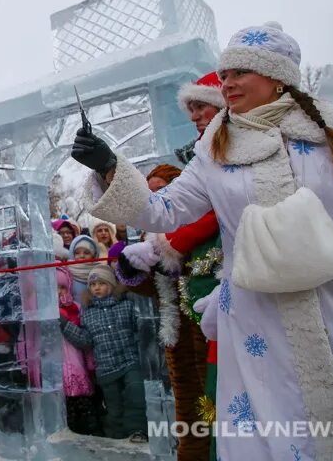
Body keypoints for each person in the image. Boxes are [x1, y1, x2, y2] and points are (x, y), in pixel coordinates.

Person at [72, 22, 333, 459]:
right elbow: (162, 211)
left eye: (241, 72)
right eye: (224, 74)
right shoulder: (214, 148)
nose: (228, 83)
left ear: (277, 75)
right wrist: (109, 165)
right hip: (259, 316)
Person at [117, 163, 219, 461]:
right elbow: (150, 286)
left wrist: (177, 260)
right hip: (176, 334)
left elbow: (207, 266)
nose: (154, 196)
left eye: (160, 190)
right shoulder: (150, 234)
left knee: (214, 401)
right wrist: (130, 270)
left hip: (205, 324)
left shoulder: (197, 221)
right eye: (150, 192)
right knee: (187, 408)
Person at [60, 264, 147, 442]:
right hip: (106, 368)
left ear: (111, 284)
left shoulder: (126, 305)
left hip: (129, 361)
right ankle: (116, 436)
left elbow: (138, 328)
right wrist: (65, 325)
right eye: (93, 285)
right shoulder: (88, 313)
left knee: (136, 395)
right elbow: (85, 340)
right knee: (114, 406)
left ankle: (138, 431)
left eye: (101, 283)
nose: (97, 287)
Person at [55, 265, 101, 436]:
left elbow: (85, 335)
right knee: (65, 408)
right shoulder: (44, 310)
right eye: (55, 287)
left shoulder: (75, 307)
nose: (59, 291)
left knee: (83, 403)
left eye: (62, 287)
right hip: (58, 364)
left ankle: (89, 432)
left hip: (76, 363)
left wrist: (90, 363)